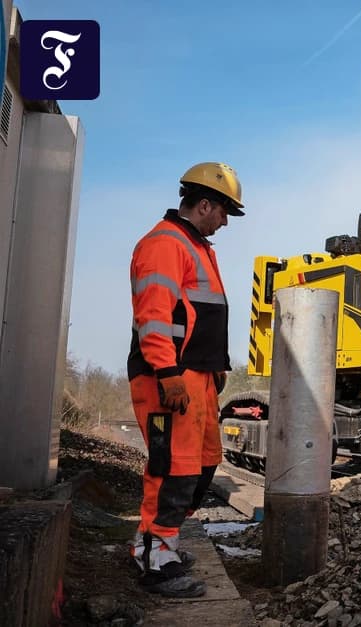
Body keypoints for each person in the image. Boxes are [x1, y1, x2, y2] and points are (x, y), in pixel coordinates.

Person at [126, 162, 244, 597]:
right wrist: (168, 372)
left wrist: (215, 370)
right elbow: (153, 316)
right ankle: (155, 557)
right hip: (168, 377)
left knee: (201, 463)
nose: (226, 221)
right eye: (224, 211)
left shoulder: (196, 247)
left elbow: (199, 316)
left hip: (195, 378)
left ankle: (161, 544)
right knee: (170, 465)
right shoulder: (164, 244)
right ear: (205, 204)